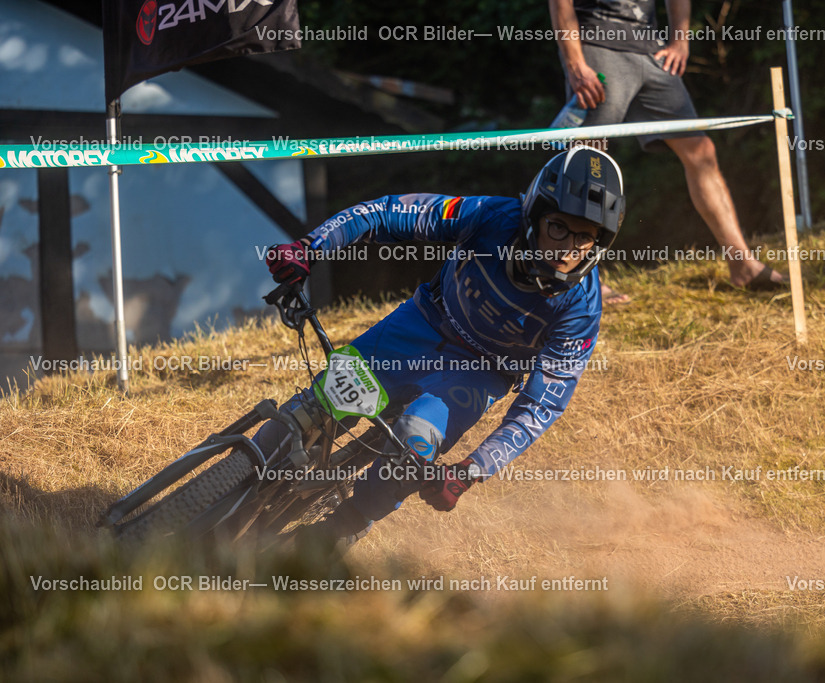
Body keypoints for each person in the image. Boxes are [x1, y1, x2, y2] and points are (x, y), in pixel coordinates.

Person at [258, 147, 624, 550]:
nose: (569, 249)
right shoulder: (489, 216)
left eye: (585, 237)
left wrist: (471, 470)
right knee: (319, 404)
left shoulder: (581, 308)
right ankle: (242, 464)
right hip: (422, 324)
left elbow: (541, 405)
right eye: (558, 227)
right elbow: (387, 212)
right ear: (533, 214)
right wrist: (310, 247)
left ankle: (338, 531)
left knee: (414, 442)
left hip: (479, 374)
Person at [548, 0, 787, 293]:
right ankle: (582, 278)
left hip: (652, 51)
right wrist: (575, 62)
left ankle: (743, 264)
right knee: (588, 161)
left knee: (701, 151)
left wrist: (680, 41)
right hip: (598, 46)